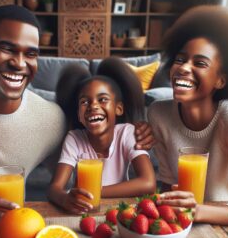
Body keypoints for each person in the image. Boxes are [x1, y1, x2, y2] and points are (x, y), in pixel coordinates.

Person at [0, 5, 154, 234]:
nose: (19, 63)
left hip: (15, 232)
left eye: (30, 54)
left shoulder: (52, 119)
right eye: (7, 49)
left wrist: (139, 128)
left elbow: (70, 171)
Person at [147, 5, 228, 226]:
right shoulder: (158, 113)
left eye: (200, 63)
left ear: (220, 81)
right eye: (180, 59)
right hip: (182, 228)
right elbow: (167, 187)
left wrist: (198, 211)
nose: (184, 68)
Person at [49, 57, 156, 214]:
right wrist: (65, 198)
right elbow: (54, 188)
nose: (93, 106)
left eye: (103, 99)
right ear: (79, 114)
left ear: (118, 109)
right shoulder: (74, 138)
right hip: (84, 210)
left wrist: (96, 192)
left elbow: (148, 183)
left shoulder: (127, 133)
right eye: (85, 102)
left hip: (119, 211)